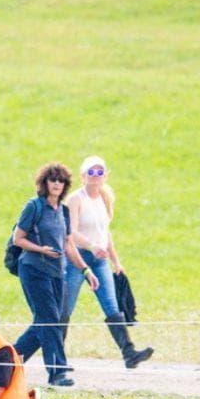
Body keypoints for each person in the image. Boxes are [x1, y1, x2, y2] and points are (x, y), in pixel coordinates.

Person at [63, 156, 153, 369]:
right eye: (91, 173)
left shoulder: (103, 198)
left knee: (111, 305)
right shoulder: (76, 199)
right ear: (83, 176)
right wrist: (92, 245)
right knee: (65, 307)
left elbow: (105, 233)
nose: (95, 177)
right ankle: (57, 358)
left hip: (100, 260)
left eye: (99, 172)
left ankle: (129, 352)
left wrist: (116, 261)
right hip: (78, 258)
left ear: (105, 175)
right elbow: (71, 233)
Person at [12, 162, 97, 387]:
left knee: (48, 320)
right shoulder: (34, 207)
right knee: (49, 319)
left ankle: (8, 361)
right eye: (53, 180)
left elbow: (69, 245)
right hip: (33, 269)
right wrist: (41, 250)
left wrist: (86, 271)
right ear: (45, 183)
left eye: (61, 181)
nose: (57, 184)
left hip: (57, 272)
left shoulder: (64, 211)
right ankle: (57, 372)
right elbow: (17, 239)